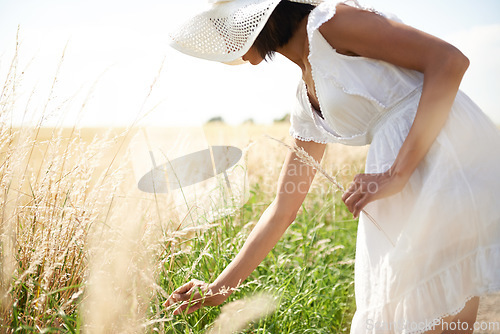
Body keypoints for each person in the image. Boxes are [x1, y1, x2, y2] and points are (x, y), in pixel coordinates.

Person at [165, 0, 500, 333]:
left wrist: (398, 172)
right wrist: (218, 289)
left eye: (226, 27)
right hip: (398, 180)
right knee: (412, 317)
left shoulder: (330, 23)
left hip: (447, 155)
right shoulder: (304, 101)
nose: (225, 41)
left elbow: (449, 60)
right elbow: (283, 207)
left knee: (436, 312)